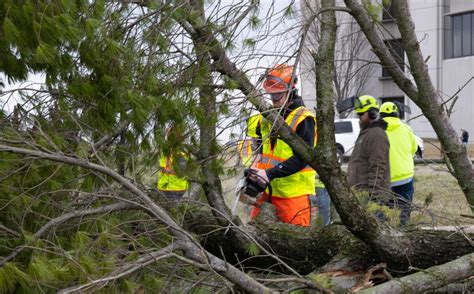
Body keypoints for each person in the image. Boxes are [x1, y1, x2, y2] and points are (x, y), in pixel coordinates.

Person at [248, 64, 316, 227]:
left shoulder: (303, 118)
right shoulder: (267, 115)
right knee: (253, 234)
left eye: (278, 95)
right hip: (266, 190)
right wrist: (254, 167)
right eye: (271, 95)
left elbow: (303, 158)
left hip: (293, 195)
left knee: (295, 243)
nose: (274, 99)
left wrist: (269, 173)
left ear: (291, 90)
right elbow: (256, 141)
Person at [347, 95, 391, 214]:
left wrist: (373, 195)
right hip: (361, 194)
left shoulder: (377, 135)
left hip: (371, 198)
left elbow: (378, 165)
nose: (358, 118)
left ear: (372, 114)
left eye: (361, 114)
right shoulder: (366, 133)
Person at [379, 102, 418, 225]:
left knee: (380, 209)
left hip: (382, 179)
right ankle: (404, 229)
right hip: (404, 177)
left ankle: (381, 232)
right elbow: (414, 149)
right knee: (405, 208)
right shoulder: (407, 128)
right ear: (397, 114)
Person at [157, 125, 189, 201]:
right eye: (169, 136)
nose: (169, 138)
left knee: (172, 211)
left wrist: (169, 171)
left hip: (176, 188)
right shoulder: (166, 150)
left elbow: (181, 171)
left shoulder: (181, 153)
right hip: (163, 186)